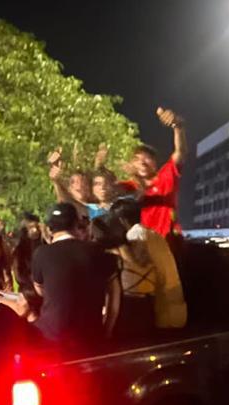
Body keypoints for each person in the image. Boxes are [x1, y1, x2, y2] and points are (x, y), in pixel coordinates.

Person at [31, 203, 121, 350]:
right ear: (76, 224)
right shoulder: (98, 251)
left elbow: (40, 290)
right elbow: (114, 298)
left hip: (52, 337)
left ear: (49, 229)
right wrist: (107, 330)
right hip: (89, 336)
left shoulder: (41, 254)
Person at [110, 197, 188, 331]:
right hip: (175, 308)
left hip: (162, 312)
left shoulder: (135, 237)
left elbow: (137, 267)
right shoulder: (153, 234)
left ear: (121, 220)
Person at [120, 107, 188, 238]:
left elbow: (181, 152)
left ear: (155, 162)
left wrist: (178, 126)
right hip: (142, 245)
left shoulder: (166, 176)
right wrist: (100, 166)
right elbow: (107, 190)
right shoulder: (128, 187)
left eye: (147, 158)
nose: (142, 162)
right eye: (137, 159)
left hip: (169, 241)